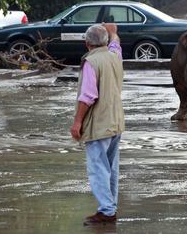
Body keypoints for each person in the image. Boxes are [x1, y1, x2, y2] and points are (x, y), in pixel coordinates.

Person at [70, 23, 124, 226]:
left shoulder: (91, 62)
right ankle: (110, 207)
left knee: (98, 168)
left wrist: (77, 122)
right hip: (116, 121)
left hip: (99, 124)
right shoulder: (114, 56)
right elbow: (116, 45)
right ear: (106, 42)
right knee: (111, 167)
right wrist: (113, 32)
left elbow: (88, 96)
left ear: (87, 44)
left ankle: (107, 211)